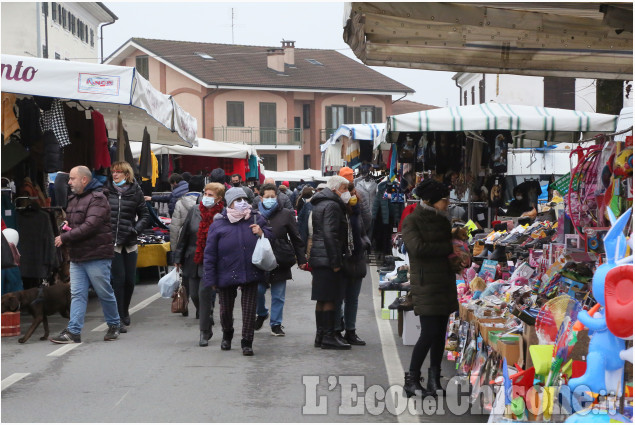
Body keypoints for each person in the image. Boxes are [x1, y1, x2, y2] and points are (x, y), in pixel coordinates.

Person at [51, 166, 121, 343]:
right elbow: (76, 222)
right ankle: (73, 331)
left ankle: (114, 324)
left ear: (84, 180)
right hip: (78, 255)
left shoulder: (98, 199)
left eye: (72, 178)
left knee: (103, 291)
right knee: (77, 294)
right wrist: (66, 224)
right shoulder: (73, 198)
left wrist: (64, 236)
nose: (69, 182)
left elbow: (90, 226)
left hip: (96, 254)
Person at [401, 179, 457, 398]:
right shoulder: (412, 220)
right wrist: (447, 247)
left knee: (440, 333)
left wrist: (457, 254)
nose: (448, 203)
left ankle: (435, 379)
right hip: (426, 284)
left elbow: (446, 250)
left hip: (444, 280)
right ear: (431, 200)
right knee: (429, 332)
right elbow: (417, 248)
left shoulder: (443, 220)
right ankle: (412, 379)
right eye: (445, 199)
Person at [203, 187, 273, 356]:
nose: (242, 203)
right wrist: (210, 279)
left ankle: (247, 341)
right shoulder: (218, 223)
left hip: (251, 270)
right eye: (237, 200)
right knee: (225, 309)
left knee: (249, 309)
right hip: (226, 272)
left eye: (244, 199)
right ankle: (227, 334)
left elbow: (272, 236)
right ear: (230, 203)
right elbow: (210, 253)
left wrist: (262, 232)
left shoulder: (256, 217)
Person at [173, 182, 225, 347]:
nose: (206, 198)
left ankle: (204, 331)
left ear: (219, 198)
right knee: (194, 294)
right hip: (192, 258)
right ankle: (207, 315)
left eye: (211, 195)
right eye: (205, 194)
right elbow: (185, 235)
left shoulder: (223, 214)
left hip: (212, 260)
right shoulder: (195, 211)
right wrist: (177, 258)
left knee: (203, 293)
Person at [254, 183, 307, 336]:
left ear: (276, 197)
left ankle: (276, 324)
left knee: (278, 294)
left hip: (280, 258)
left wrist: (301, 258)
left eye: (272, 196)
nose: (270, 199)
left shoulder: (286, 214)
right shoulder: (255, 214)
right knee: (258, 290)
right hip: (260, 259)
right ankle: (262, 313)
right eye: (267, 197)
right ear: (260, 198)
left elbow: (296, 237)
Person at [106, 161, 150, 331]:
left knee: (130, 281)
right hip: (113, 241)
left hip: (130, 240)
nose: (115, 175)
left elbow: (145, 215)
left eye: (118, 172)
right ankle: (118, 315)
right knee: (119, 279)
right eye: (113, 172)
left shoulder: (135, 190)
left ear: (126, 174)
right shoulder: (105, 190)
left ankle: (124, 310)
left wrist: (135, 230)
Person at [309, 175, 351, 350]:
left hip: (319, 256)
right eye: (345, 189)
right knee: (330, 298)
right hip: (327, 257)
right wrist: (335, 261)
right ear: (336, 189)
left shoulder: (321, 203)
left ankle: (321, 335)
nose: (347, 193)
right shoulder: (333, 205)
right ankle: (328, 336)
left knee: (322, 297)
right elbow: (330, 234)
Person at [336, 182, 370, 345]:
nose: (352, 195)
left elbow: (364, 229)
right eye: (349, 192)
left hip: (357, 257)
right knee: (339, 297)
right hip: (342, 258)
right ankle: (337, 330)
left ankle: (351, 331)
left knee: (353, 298)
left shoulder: (357, 211)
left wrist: (364, 243)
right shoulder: (335, 209)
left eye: (353, 192)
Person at [170, 175, 206, 250]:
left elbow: (175, 228)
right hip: (203, 240)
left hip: (184, 242)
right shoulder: (207, 203)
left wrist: (174, 250)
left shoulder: (180, 203)